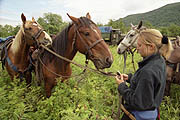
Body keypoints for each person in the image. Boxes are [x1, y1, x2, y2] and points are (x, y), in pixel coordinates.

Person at [116, 29, 173, 120]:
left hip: (136, 116)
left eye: (139, 45)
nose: (137, 48)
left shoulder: (147, 71)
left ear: (151, 47)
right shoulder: (159, 61)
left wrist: (122, 86)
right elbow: (150, 85)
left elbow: (137, 102)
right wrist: (131, 78)